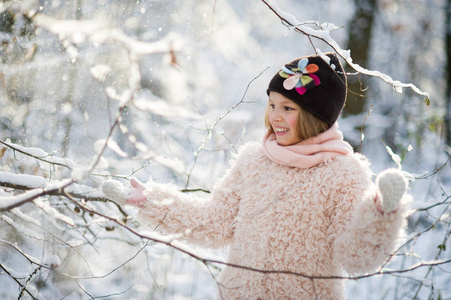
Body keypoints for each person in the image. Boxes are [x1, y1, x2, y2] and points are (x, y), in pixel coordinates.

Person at [102, 52, 411, 299]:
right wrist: (153, 202)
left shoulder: (343, 173)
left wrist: (381, 213)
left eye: (288, 108)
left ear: (316, 117)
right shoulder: (254, 159)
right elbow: (215, 222)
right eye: (272, 104)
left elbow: (355, 257)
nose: (274, 116)